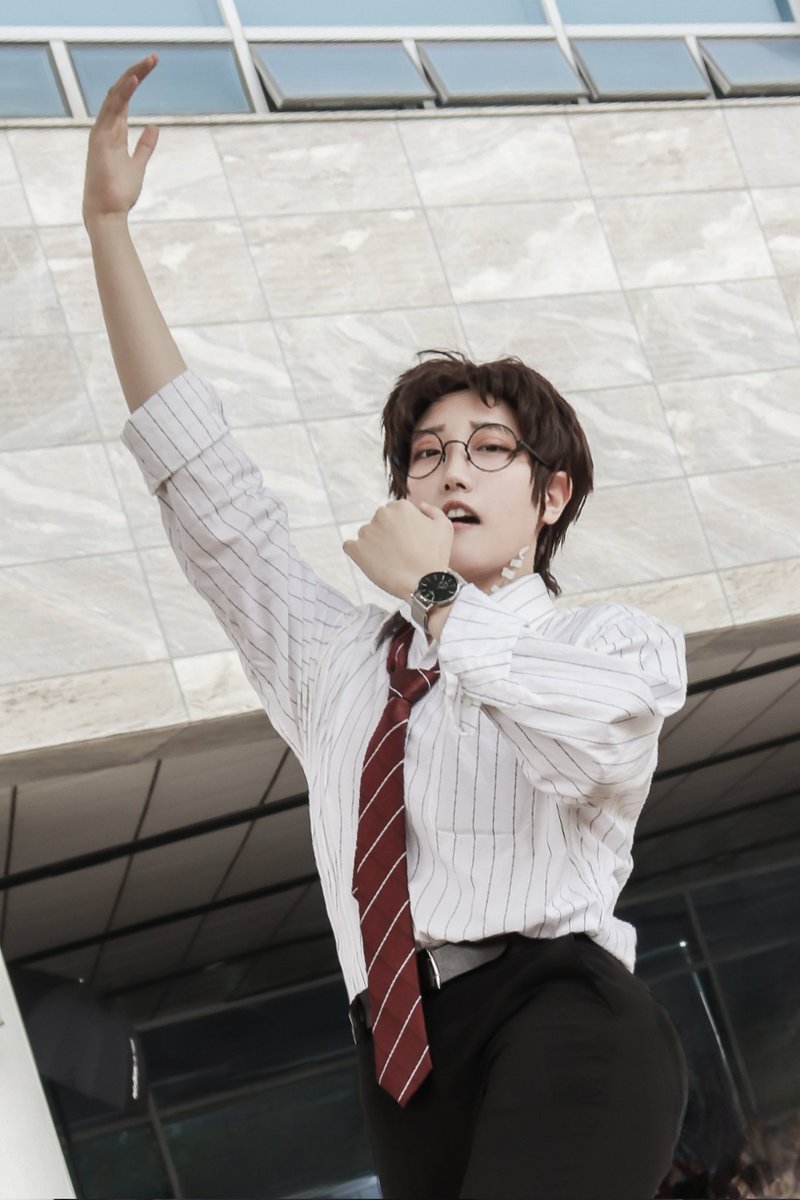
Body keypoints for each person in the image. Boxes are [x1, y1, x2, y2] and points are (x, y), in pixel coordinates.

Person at [83, 54, 690, 1200]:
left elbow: (589, 743)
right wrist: (107, 231)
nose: (451, 470)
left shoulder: (610, 645)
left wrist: (436, 597)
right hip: (400, 1062)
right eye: (426, 454)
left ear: (550, 496)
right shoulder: (337, 664)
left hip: (561, 1019)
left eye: (489, 450)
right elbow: (206, 486)